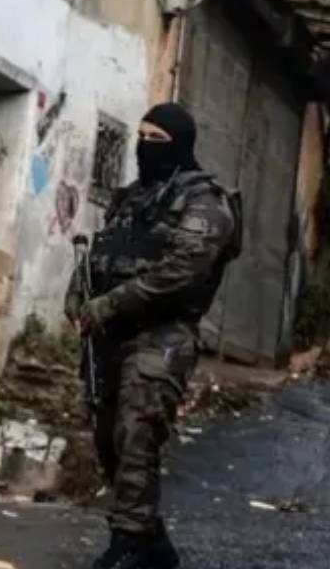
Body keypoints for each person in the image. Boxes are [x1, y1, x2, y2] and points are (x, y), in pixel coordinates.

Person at [66, 103, 241, 569]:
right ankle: (151, 542)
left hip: (162, 334)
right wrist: (79, 292)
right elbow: (103, 253)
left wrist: (110, 303)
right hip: (109, 337)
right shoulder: (131, 198)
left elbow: (181, 271)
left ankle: (128, 544)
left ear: (180, 144)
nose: (145, 147)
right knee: (108, 439)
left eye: (156, 139)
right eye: (141, 137)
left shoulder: (206, 202)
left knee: (136, 433)